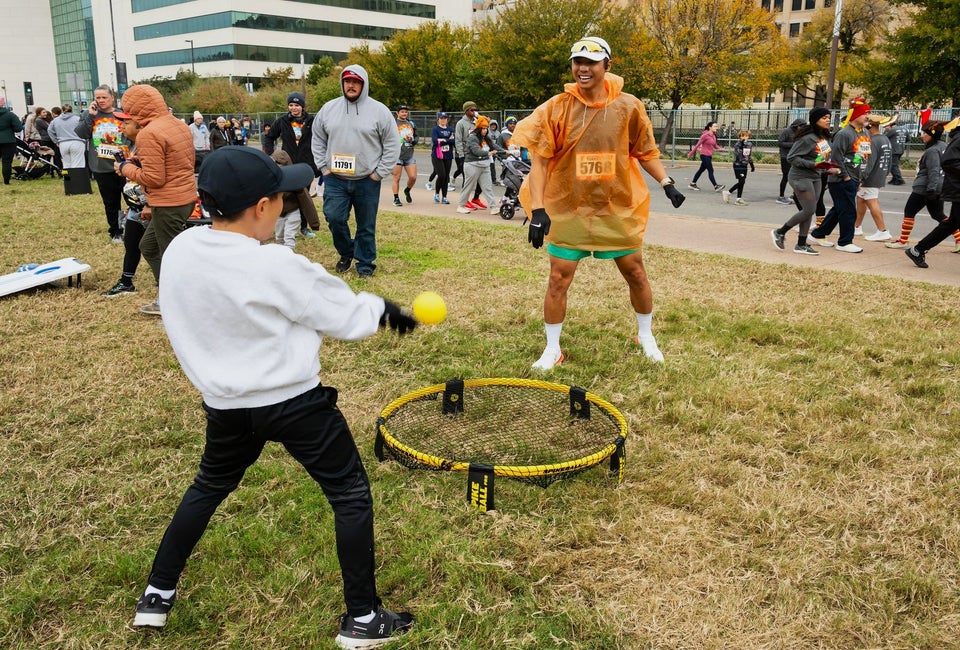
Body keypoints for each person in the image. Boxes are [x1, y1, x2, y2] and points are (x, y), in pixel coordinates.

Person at [130, 146, 416, 648]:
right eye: (282, 197)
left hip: (225, 406)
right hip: (295, 405)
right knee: (348, 494)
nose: (285, 204)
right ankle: (364, 621)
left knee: (207, 488)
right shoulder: (275, 264)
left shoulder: (181, 250)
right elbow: (344, 316)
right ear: (262, 207)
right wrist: (386, 311)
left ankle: (156, 594)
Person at [510, 36, 685, 370]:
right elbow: (541, 162)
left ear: (608, 64)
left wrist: (667, 182)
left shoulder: (629, 106)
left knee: (636, 272)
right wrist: (538, 210)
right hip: (569, 208)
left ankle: (645, 335)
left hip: (616, 207)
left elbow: (645, 151)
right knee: (558, 279)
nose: (583, 68)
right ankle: (552, 348)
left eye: (591, 62)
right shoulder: (557, 107)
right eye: (578, 61)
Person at [114, 84, 197, 316]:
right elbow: (176, 161)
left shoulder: (149, 133)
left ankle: (175, 301)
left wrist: (125, 167)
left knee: (171, 254)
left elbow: (154, 178)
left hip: (169, 201)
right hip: (182, 196)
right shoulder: (176, 124)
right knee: (148, 246)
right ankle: (169, 295)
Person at [312, 65, 399, 278]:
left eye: (356, 82)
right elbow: (317, 139)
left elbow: (392, 144)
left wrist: (378, 173)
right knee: (333, 217)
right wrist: (324, 167)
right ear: (342, 83)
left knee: (366, 225)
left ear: (364, 84)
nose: (351, 85)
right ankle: (347, 252)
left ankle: (365, 264)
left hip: (367, 180)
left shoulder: (380, 111)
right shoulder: (329, 109)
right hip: (336, 179)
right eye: (347, 81)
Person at [770, 107, 840, 256]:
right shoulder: (807, 138)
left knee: (808, 211)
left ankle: (801, 244)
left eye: (829, 117)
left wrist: (827, 169)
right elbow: (792, 157)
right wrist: (813, 165)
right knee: (809, 210)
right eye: (824, 117)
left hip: (816, 176)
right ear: (815, 120)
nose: (828, 120)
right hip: (800, 177)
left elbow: (820, 158)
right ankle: (780, 232)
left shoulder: (824, 137)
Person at [808, 98, 873, 253]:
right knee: (849, 211)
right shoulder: (844, 134)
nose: (868, 116)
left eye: (869, 113)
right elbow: (836, 158)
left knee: (839, 209)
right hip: (841, 179)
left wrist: (860, 176)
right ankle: (845, 242)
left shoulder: (865, 133)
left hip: (854, 177)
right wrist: (846, 177)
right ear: (856, 115)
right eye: (865, 113)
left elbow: (861, 155)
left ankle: (818, 234)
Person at [886, 119, 950, 250]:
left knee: (909, 211)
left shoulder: (932, 151)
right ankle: (958, 239)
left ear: (931, 134)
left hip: (924, 188)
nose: (922, 135)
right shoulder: (944, 146)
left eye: (924, 133)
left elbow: (934, 170)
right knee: (938, 215)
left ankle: (903, 241)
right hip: (939, 187)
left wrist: (931, 189)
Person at [101, 113, 147, 297]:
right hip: (136, 205)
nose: (122, 127)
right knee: (131, 243)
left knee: (155, 249)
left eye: (127, 123)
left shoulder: (148, 145)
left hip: (150, 207)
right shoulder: (132, 146)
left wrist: (149, 205)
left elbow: (153, 177)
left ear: (139, 126)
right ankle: (126, 282)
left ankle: (168, 288)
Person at [263, 92, 319, 238]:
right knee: (286, 196)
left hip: (306, 165)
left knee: (304, 196)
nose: (294, 108)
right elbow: (269, 138)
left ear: (302, 106)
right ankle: (283, 224)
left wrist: (316, 164)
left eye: (297, 105)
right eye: (291, 105)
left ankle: (304, 227)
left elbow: (321, 140)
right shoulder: (282, 121)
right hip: (288, 166)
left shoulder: (312, 121)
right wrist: (272, 155)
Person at [905, 118, 960, 268]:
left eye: (924, 132)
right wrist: (932, 189)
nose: (922, 135)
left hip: (937, 188)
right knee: (947, 221)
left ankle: (917, 249)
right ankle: (912, 246)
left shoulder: (938, 146)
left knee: (949, 222)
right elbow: (946, 163)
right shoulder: (949, 143)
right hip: (947, 189)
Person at [76, 85, 126, 242]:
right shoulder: (88, 114)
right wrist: (91, 116)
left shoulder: (121, 114)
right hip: (101, 166)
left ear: (112, 97)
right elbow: (81, 133)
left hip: (123, 164)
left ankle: (134, 228)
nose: (101, 100)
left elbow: (132, 135)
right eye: (98, 97)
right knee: (111, 202)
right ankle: (116, 231)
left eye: (104, 97)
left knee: (132, 198)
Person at [270, 149, 321, 249]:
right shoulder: (270, 180)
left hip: (293, 212)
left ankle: (289, 258)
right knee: (279, 237)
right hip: (278, 214)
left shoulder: (295, 181)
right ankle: (281, 257)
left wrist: (314, 223)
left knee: (289, 238)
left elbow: (307, 202)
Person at [853, 117, 893, 241]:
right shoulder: (885, 138)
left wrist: (861, 177)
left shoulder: (872, 141)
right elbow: (890, 160)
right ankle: (857, 227)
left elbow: (868, 161)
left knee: (871, 201)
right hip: (878, 174)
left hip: (870, 176)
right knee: (861, 199)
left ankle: (882, 230)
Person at [456, 115, 503, 215]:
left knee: (487, 187)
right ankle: (461, 206)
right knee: (468, 186)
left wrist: (504, 151)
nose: (485, 130)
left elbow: (493, 146)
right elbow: (475, 150)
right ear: (478, 128)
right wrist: (488, 153)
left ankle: (494, 207)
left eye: (486, 128)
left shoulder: (486, 138)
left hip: (484, 165)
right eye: (483, 128)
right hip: (472, 165)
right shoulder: (472, 137)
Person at [391, 105, 418, 206]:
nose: (404, 114)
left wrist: (413, 141)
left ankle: (407, 190)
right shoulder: (393, 123)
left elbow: (416, 136)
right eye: (402, 112)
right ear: (397, 113)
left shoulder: (411, 123)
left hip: (409, 154)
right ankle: (396, 198)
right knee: (396, 178)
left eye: (406, 112)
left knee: (413, 177)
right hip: (396, 155)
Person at [687, 121, 725, 193]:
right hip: (704, 155)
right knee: (711, 170)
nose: (716, 127)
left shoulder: (713, 135)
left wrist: (720, 148)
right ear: (710, 127)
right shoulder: (705, 135)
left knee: (701, 170)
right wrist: (691, 153)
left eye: (716, 126)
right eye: (715, 126)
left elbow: (715, 145)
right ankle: (716, 186)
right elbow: (698, 144)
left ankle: (692, 184)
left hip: (709, 155)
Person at [47, 104, 86, 170]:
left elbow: (49, 130)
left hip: (63, 143)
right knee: (78, 164)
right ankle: (77, 179)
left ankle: (68, 179)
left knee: (66, 164)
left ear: (62, 110)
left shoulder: (55, 120)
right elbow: (84, 129)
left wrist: (55, 140)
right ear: (72, 110)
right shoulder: (78, 119)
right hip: (77, 142)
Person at [776, 119, 805, 204]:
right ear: (797, 126)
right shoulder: (786, 131)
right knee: (786, 176)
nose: (802, 128)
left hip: (795, 157)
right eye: (801, 127)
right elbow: (780, 143)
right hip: (785, 157)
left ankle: (794, 195)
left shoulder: (799, 132)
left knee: (796, 177)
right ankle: (781, 197)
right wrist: (794, 145)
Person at [723, 129, 755, 206]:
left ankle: (738, 199)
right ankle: (728, 192)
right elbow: (738, 154)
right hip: (738, 165)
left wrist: (751, 164)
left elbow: (748, 155)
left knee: (742, 182)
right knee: (741, 181)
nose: (745, 137)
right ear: (740, 136)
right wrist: (742, 144)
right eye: (743, 136)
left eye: (747, 136)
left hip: (744, 165)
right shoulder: (737, 144)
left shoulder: (749, 144)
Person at [430, 111, 454, 204]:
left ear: (447, 120)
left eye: (445, 118)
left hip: (448, 155)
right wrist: (448, 140)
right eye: (441, 118)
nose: (443, 120)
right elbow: (435, 141)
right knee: (441, 175)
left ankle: (444, 197)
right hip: (437, 155)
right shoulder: (435, 129)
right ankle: (436, 193)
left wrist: (443, 140)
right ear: (438, 119)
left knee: (446, 176)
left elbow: (453, 141)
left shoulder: (450, 129)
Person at [0, 97, 24, 185]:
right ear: (3, 103)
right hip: (8, 140)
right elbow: (19, 128)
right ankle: (6, 181)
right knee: (6, 161)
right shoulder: (10, 115)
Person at [452, 101, 476, 187]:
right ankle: (464, 198)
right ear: (466, 111)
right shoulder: (460, 123)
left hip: (473, 153)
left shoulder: (476, 122)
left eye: (475, 109)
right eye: (472, 109)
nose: (474, 111)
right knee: (465, 176)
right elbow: (458, 140)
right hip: (463, 154)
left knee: (473, 176)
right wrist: (461, 155)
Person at [885, 118, 908, 185]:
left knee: (893, 165)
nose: (886, 127)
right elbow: (908, 139)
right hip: (901, 149)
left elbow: (885, 137)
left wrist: (887, 131)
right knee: (894, 165)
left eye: (887, 126)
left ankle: (899, 179)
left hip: (894, 150)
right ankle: (894, 178)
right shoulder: (904, 129)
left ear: (890, 125)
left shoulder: (892, 130)